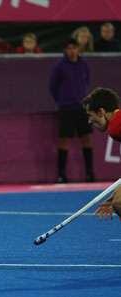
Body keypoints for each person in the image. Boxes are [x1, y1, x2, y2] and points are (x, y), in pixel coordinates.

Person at [49, 39, 94, 183]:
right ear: (65, 50)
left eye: (74, 48)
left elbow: (86, 81)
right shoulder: (60, 66)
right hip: (66, 108)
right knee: (64, 140)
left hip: (82, 108)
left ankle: (90, 173)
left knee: (86, 138)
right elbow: (53, 86)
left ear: (78, 49)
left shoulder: (84, 64)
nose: (71, 51)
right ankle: (61, 175)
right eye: (68, 48)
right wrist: (62, 101)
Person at [82, 88, 121, 219]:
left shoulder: (116, 127)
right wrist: (111, 199)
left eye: (90, 115)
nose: (89, 121)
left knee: (119, 202)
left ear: (101, 112)